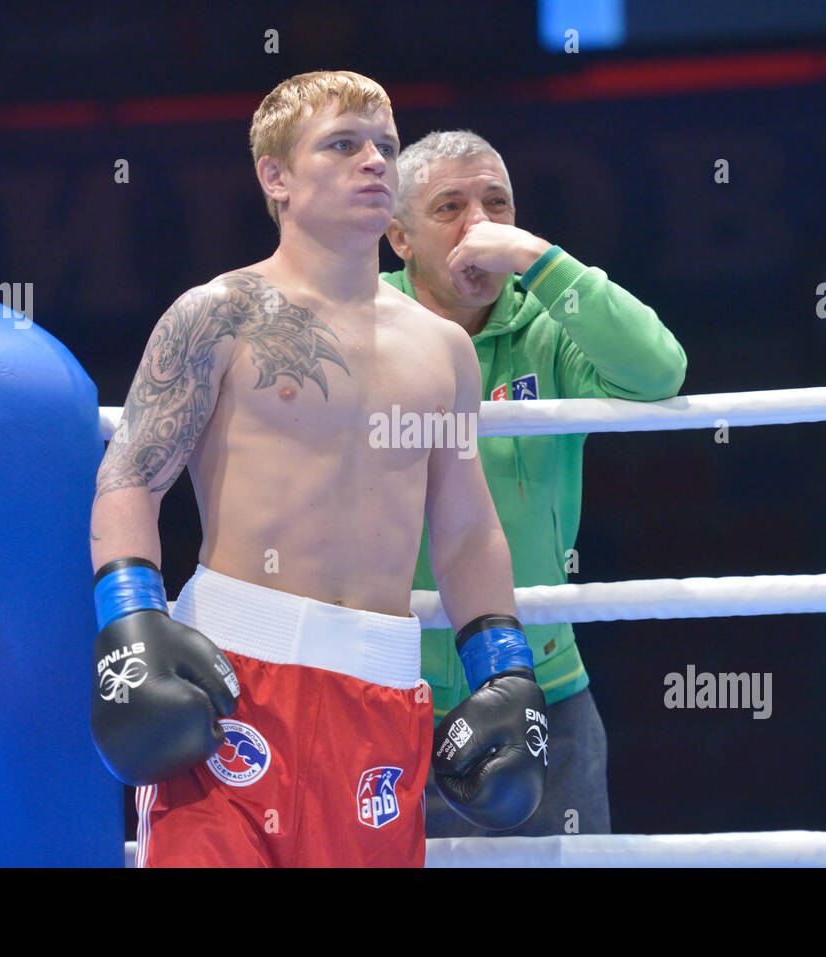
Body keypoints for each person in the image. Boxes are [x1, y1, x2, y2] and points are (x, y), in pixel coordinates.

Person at [86, 74, 548, 867]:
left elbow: (467, 529)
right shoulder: (218, 312)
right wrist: (131, 624)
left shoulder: (442, 350)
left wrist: (505, 672)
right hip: (232, 683)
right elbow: (130, 475)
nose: (375, 161)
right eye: (343, 144)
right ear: (276, 177)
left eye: (386, 147)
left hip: (378, 696)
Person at [383, 130, 687, 837]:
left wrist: (536, 259)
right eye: (449, 207)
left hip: (544, 687)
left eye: (496, 204)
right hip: (389, 691)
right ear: (399, 237)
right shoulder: (363, 329)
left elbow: (659, 369)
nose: (479, 225)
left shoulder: (550, 328)